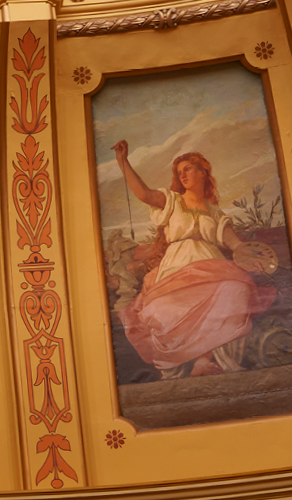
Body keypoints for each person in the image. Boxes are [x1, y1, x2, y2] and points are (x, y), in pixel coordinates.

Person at [111, 140, 276, 379]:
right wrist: (123, 161)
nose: (183, 174)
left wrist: (253, 259)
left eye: (188, 168)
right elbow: (144, 194)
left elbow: (236, 245)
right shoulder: (172, 201)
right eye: (179, 172)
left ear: (203, 171)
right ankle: (191, 361)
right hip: (177, 267)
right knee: (163, 308)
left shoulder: (215, 212)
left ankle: (203, 361)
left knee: (233, 290)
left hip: (213, 265)